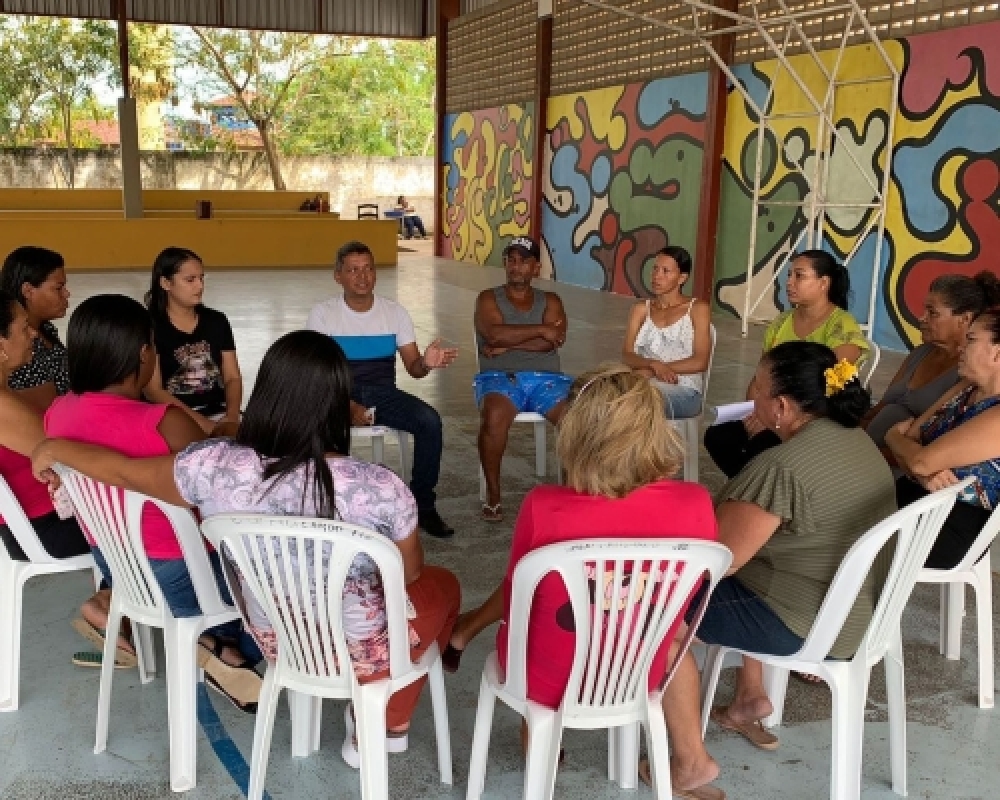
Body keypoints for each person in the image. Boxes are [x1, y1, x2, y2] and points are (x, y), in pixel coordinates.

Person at [32, 330, 462, 765]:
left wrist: (56, 447)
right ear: (338, 403)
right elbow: (406, 576)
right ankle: (385, 720)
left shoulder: (213, 466)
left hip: (278, 640)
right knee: (443, 587)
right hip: (362, 648)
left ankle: (389, 720)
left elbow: (124, 472)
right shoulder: (378, 487)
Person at [443, 364, 719, 793]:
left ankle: (541, 748)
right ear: (655, 428)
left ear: (576, 431)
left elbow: (521, 595)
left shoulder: (544, 506)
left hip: (548, 677)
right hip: (639, 669)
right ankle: (689, 758)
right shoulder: (696, 503)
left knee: (527, 620)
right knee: (672, 640)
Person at [657, 342, 893, 793]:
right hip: (855, 613)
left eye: (758, 389)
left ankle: (690, 761)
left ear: (781, 407)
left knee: (653, 604)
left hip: (803, 622)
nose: (754, 398)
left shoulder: (781, 468)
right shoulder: (856, 438)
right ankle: (749, 697)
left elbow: (713, 561)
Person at [43, 294, 262, 709]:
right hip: (186, 577)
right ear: (144, 354)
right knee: (274, 575)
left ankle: (214, 643)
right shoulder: (164, 422)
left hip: (119, 568)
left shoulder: (58, 414)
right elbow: (218, 483)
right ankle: (224, 646)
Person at [307, 240, 458, 539]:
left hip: (382, 394)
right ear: (338, 276)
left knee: (430, 422)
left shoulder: (394, 313)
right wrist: (349, 406)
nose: (362, 276)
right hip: (337, 394)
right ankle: (334, 508)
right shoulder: (323, 314)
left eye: (368, 269)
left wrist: (426, 363)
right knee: (323, 432)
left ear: (376, 273)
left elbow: (414, 368)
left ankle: (423, 506)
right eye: (353, 270)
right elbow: (318, 373)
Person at [0, 287, 111, 665]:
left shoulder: (9, 396)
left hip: (28, 529)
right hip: (47, 532)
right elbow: (75, 461)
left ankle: (119, 614)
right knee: (156, 515)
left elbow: (45, 398)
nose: (33, 333)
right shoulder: (3, 407)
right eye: (22, 327)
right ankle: (108, 603)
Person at [704, 250, 870, 479]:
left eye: (799, 276)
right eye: (789, 275)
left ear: (823, 282)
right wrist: (757, 411)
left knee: (758, 451)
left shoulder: (842, 326)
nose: (789, 283)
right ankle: (754, 492)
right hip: (773, 412)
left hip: (811, 420)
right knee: (718, 436)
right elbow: (760, 376)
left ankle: (756, 495)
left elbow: (822, 386)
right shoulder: (782, 322)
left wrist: (774, 421)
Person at [886, 306, 1000, 570]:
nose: (961, 347)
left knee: (833, 525)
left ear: (997, 352)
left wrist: (904, 448)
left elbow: (919, 459)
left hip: (947, 529)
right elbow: (912, 436)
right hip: (914, 502)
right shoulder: (965, 387)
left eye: (971, 340)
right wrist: (918, 466)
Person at [474, 236, 571, 521]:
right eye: (511, 260)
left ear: (536, 267)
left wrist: (508, 343)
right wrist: (542, 329)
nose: (516, 267)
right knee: (493, 416)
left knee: (576, 418)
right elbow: (493, 333)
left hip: (547, 379)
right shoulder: (488, 297)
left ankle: (571, 492)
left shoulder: (551, 300)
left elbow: (552, 342)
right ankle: (493, 495)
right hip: (499, 377)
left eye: (523, 261)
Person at [864, 273, 1000, 457]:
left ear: (965, 319)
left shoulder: (968, 374)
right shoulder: (920, 353)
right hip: (867, 451)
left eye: (932, 313)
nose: (922, 318)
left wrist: (870, 456)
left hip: (894, 464)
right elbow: (880, 407)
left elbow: (929, 450)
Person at [143, 247, 243, 434]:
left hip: (218, 412)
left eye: (202, 278)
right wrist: (204, 425)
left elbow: (232, 377)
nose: (199, 286)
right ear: (166, 283)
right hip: (173, 417)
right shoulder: (150, 327)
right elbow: (154, 390)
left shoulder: (217, 321)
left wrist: (232, 416)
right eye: (190, 280)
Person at [621, 246, 712, 418]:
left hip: (684, 390)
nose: (657, 276)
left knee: (633, 404)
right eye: (655, 268)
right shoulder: (640, 309)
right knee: (604, 397)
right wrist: (654, 365)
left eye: (666, 271)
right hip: (643, 383)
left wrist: (657, 369)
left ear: (682, 278)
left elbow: (700, 361)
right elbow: (627, 354)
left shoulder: (697, 309)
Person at [0, 246, 70, 412]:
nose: (66, 294)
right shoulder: (18, 348)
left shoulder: (46, 329)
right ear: (28, 291)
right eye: (58, 288)